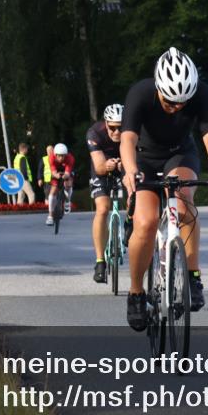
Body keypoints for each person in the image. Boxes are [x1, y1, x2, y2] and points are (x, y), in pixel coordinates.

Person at [120, 47, 208, 331]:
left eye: (182, 103)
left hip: (180, 154)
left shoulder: (202, 93)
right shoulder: (140, 93)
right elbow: (127, 139)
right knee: (145, 222)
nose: (176, 107)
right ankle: (135, 293)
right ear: (158, 88)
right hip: (143, 156)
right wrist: (130, 169)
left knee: (183, 204)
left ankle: (192, 276)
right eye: (170, 101)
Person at [87, 104, 125, 283]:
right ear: (105, 124)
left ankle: (130, 225)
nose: (117, 132)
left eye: (121, 127)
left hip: (126, 167)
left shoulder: (133, 130)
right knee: (102, 209)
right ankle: (100, 261)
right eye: (113, 128)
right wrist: (108, 165)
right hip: (102, 168)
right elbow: (99, 167)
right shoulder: (95, 133)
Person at [45, 142, 75, 226]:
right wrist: (56, 175)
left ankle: (67, 201)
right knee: (53, 192)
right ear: (55, 155)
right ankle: (50, 216)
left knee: (68, 184)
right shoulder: (51, 157)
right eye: (59, 156)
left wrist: (65, 176)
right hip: (56, 171)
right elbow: (53, 172)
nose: (61, 158)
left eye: (63, 155)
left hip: (66, 170)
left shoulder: (70, 158)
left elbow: (67, 173)